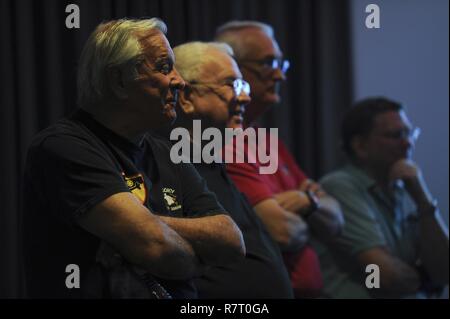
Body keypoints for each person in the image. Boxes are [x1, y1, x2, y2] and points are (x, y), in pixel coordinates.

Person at [22, 18, 245, 299]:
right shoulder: (64, 147)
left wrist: (146, 222)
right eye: (164, 67)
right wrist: (197, 258)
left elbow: (231, 240)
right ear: (118, 81)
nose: (180, 81)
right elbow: (156, 248)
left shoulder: (165, 152)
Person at [215, 21, 343, 298]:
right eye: (268, 63)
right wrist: (305, 206)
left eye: (281, 65)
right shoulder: (221, 142)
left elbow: (335, 221)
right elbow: (282, 232)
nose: (280, 76)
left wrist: (307, 202)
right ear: (234, 68)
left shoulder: (267, 140)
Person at [172, 41, 294, 298]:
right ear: (186, 97)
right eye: (231, 84)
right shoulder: (169, 168)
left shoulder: (212, 162)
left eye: (243, 85)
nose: (245, 97)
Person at [317, 97, 449, 298]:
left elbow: (444, 272)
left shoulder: (407, 188)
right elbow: (382, 276)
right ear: (360, 146)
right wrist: (426, 280)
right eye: (395, 135)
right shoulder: (339, 186)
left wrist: (423, 200)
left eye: (410, 133)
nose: (408, 143)